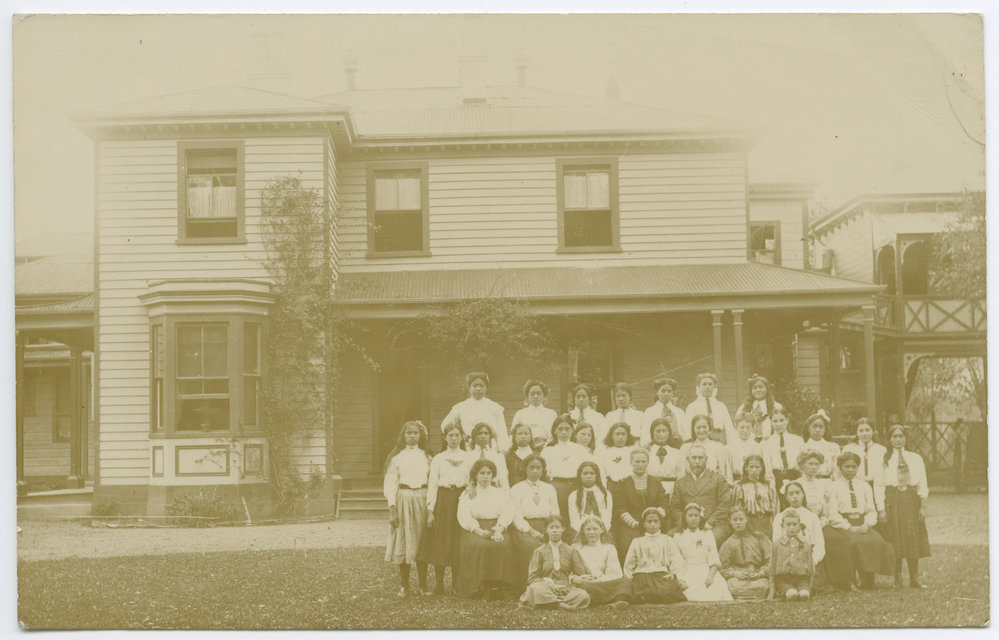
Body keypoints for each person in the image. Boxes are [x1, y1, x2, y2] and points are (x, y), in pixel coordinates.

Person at [824, 452, 895, 591]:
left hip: (862, 522)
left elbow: (871, 510)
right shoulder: (833, 487)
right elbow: (831, 513)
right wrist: (848, 526)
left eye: (853, 467)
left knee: (875, 541)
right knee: (851, 542)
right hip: (843, 523)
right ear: (840, 467)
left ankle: (868, 576)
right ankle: (848, 579)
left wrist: (867, 523)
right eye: (847, 467)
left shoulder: (864, 486)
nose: (850, 470)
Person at [877, 425, 930, 589]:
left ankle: (914, 578)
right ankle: (897, 578)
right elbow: (878, 485)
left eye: (901, 436)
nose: (898, 439)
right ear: (889, 439)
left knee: (912, 536)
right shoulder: (884, 459)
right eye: (894, 436)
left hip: (911, 499)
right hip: (893, 499)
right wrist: (881, 508)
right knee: (895, 537)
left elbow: (922, 482)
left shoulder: (915, 458)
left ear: (906, 438)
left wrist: (922, 506)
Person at [383, 420, 433, 597]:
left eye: (415, 433)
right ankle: (404, 585)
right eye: (408, 433)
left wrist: (431, 507)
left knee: (421, 542)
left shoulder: (427, 457)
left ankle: (423, 585)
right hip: (403, 498)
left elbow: (432, 483)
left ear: (421, 436)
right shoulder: (396, 458)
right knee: (403, 541)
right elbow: (390, 484)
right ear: (403, 436)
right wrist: (392, 508)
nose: (412, 436)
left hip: (422, 498)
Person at [421, 423, 472, 595]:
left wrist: (471, 486)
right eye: (450, 435)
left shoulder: (469, 457)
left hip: (462, 499)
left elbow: (474, 478)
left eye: (457, 435)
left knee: (458, 539)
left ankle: (456, 584)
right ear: (445, 438)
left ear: (462, 437)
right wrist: (430, 511)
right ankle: (439, 583)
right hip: (443, 499)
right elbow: (433, 485)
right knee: (441, 540)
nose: (453, 438)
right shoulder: (439, 458)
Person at [455, 458, 514, 598]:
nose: (486, 476)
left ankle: (499, 585)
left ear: (493, 475)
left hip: (496, 526)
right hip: (474, 529)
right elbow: (463, 515)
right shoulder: (468, 493)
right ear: (475, 475)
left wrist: (500, 529)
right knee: (482, 546)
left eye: (489, 473)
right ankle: (480, 585)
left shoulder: (500, 493)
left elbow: (507, 511)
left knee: (502, 544)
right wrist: (478, 530)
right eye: (482, 473)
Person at [508, 454, 560, 591]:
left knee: (555, 546)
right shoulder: (516, 489)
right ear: (525, 469)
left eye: (538, 468)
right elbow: (515, 516)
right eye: (531, 467)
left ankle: (552, 584)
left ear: (543, 470)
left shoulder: (549, 488)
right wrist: (530, 530)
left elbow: (555, 512)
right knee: (531, 547)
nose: (535, 471)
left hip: (546, 526)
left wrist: (552, 528)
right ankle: (528, 585)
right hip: (524, 528)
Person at [519, 515, 592, 610]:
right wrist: (550, 584)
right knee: (535, 588)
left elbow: (580, 573)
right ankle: (559, 605)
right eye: (551, 527)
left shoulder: (571, 551)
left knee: (583, 596)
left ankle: (549, 603)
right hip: (546, 588)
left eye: (557, 527)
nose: (554, 530)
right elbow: (532, 578)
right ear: (546, 530)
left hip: (566, 589)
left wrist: (572, 580)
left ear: (563, 529)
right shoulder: (539, 551)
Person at [611, 448, 670, 565]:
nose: (640, 465)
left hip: (653, 520)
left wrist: (656, 518)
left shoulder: (655, 481)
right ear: (631, 463)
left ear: (648, 463)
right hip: (632, 522)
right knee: (627, 544)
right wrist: (635, 524)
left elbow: (663, 503)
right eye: (637, 462)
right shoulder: (622, 483)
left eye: (643, 461)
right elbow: (620, 508)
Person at [669, 444, 734, 546]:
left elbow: (725, 504)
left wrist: (710, 522)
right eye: (694, 458)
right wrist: (686, 522)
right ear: (688, 460)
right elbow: (674, 507)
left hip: (714, 524)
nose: (697, 461)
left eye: (700, 458)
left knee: (709, 540)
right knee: (669, 539)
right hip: (687, 524)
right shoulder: (680, 483)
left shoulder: (718, 479)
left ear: (706, 459)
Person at [622, 507, 688, 604]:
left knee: (668, 591)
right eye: (649, 521)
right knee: (643, 590)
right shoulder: (637, 541)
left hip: (661, 575)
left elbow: (676, 559)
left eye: (656, 521)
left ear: (660, 523)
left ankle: (648, 596)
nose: (653, 524)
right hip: (642, 576)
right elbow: (629, 564)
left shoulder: (667, 540)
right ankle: (643, 595)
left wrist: (673, 573)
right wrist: (629, 582)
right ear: (644, 524)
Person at [673, 503, 733, 601]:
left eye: (696, 515)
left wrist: (710, 576)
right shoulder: (678, 536)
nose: (693, 518)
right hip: (687, 571)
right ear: (684, 518)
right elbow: (677, 560)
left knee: (716, 592)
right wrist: (681, 579)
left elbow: (713, 557)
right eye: (690, 515)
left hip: (707, 570)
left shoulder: (708, 534)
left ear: (700, 517)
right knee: (690, 594)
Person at [571, 515, 633, 608]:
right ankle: (611, 600)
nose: (592, 532)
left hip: (604, 583)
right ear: (583, 531)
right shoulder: (576, 548)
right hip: (586, 584)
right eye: (588, 529)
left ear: (602, 530)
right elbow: (568, 571)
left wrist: (599, 579)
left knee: (626, 582)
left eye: (595, 529)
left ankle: (617, 602)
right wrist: (576, 579)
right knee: (583, 589)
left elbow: (616, 573)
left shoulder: (609, 548)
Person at [441, 371, 510, 450]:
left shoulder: (495, 407)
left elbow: (502, 432)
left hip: (490, 447)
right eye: (475, 385)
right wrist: (460, 436)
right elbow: (445, 425)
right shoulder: (461, 407)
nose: (478, 388)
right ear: (469, 388)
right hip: (469, 447)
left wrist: (503, 449)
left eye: (481, 385)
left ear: (486, 388)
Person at [541, 414, 589, 523]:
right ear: (554, 431)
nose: (564, 432)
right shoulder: (548, 450)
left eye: (567, 429)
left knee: (577, 516)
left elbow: (586, 468)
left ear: (572, 431)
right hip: (557, 488)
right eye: (560, 429)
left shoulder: (580, 449)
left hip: (577, 486)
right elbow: (544, 473)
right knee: (560, 516)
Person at [719, 507, 771, 600]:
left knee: (762, 585)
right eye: (735, 520)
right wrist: (735, 573)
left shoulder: (759, 537)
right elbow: (722, 567)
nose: (738, 522)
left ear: (746, 519)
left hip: (757, 576)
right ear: (730, 521)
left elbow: (771, 559)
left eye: (741, 519)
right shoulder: (728, 543)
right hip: (739, 579)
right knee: (733, 586)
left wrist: (760, 573)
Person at [772, 481, 825, 567]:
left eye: (798, 493)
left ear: (803, 494)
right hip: (787, 563)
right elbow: (776, 543)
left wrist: (812, 562)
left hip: (809, 561)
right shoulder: (779, 517)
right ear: (786, 497)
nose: (795, 496)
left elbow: (820, 545)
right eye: (791, 494)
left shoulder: (812, 517)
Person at [768, 509, 815, 601]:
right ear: (783, 526)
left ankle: (804, 591)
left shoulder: (805, 543)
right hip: (783, 579)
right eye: (788, 525)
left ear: (799, 526)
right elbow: (772, 565)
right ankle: (787, 592)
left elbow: (811, 566)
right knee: (792, 594)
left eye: (794, 524)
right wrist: (772, 587)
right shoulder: (777, 544)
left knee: (804, 595)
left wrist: (810, 585)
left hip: (801, 580)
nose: (791, 527)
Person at [763, 407, 803, 505]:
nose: (778, 424)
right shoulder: (766, 443)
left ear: (787, 420)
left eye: (781, 420)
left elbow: (802, 464)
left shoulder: (797, 440)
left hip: (794, 477)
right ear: (771, 422)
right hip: (776, 478)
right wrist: (771, 484)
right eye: (775, 421)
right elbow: (767, 466)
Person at [684, 373, 736, 445]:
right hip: (699, 442)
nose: (707, 387)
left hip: (719, 442)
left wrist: (731, 445)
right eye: (704, 384)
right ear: (699, 386)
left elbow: (729, 429)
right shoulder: (692, 407)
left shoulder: (721, 406)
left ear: (714, 386)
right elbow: (687, 429)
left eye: (710, 384)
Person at [733, 454, 777, 538]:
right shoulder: (740, 487)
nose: (754, 470)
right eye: (751, 467)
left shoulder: (769, 486)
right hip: (749, 524)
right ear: (746, 468)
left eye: (757, 467)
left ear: (762, 468)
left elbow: (775, 509)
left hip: (766, 523)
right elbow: (736, 509)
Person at [843, 417, 887, 500]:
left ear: (873, 431)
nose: (864, 434)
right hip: (855, 488)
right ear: (856, 432)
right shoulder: (849, 449)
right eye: (861, 430)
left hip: (876, 489)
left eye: (867, 430)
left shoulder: (881, 450)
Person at [567, 460, 614, 534]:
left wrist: (599, 531)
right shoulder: (573, 496)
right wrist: (586, 532)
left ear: (597, 475)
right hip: (580, 532)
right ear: (580, 476)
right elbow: (574, 521)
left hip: (602, 532)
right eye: (585, 473)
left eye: (592, 473)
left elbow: (607, 517)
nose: (588, 476)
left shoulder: (605, 494)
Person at [734, 374, 784, 442]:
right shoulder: (743, 408)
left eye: (761, 387)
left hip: (770, 442)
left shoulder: (776, 407)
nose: (758, 390)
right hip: (749, 444)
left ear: (767, 389)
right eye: (754, 388)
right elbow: (737, 429)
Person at [642, 375, 691, 443]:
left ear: (672, 393)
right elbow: (646, 432)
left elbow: (686, 433)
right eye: (663, 391)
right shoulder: (650, 411)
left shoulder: (679, 412)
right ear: (657, 392)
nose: (666, 393)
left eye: (669, 391)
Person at [510, 379, 559, 445]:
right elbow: (513, 435)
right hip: (525, 448)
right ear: (527, 396)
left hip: (547, 447)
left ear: (544, 396)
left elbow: (556, 434)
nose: (535, 396)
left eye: (538, 393)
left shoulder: (551, 413)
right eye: (532, 394)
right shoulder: (520, 414)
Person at [679, 414, 728, 479]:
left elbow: (722, 473)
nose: (701, 430)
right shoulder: (685, 448)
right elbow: (682, 474)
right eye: (698, 427)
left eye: (704, 427)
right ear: (693, 429)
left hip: (713, 485)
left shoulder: (718, 447)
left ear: (709, 428)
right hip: (691, 486)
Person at [726, 416, 772, 484]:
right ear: (736, 427)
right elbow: (728, 471)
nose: (745, 430)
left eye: (748, 427)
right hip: (737, 482)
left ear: (752, 428)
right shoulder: (729, 448)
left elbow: (767, 469)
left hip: (756, 483)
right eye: (742, 427)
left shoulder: (759, 447)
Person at [645, 418, 683, 499]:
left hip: (671, 489)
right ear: (652, 433)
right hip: (651, 489)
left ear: (669, 433)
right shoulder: (647, 452)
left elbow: (680, 474)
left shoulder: (677, 453)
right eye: (658, 431)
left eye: (664, 431)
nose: (661, 434)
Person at [468, 422, 510, 489]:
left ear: (490, 436)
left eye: (486, 433)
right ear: (474, 436)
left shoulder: (498, 456)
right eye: (480, 433)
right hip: (474, 491)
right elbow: (467, 477)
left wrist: (505, 494)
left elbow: (503, 479)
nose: (483, 436)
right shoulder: (468, 456)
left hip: (494, 491)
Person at [797, 450, 832, 527]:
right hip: (801, 524)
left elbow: (826, 510)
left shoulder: (823, 485)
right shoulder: (796, 484)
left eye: (817, 464)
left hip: (821, 523)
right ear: (802, 465)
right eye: (810, 464)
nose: (814, 467)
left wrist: (822, 522)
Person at [599, 422, 638, 490]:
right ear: (612, 436)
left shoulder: (634, 452)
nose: (620, 437)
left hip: (631, 486)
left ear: (628, 436)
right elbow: (602, 473)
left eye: (623, 434)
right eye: (617, 434)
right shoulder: (604, 453)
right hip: (612, 486)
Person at [802, 411, 840, 479]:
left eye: (821, 427)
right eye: (814, 426)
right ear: (808, 428)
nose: (817, 430)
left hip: (829, 482)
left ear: (825, 429)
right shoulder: (803, 447)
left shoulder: (833, 447)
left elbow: (837, 469)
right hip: (810, 482)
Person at [505, 423, 537, 487]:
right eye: (520, 433)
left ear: (531, 437)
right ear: (514, 437)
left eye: (526, 433)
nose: (523, 436)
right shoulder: (508, 456)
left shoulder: (537, 456)